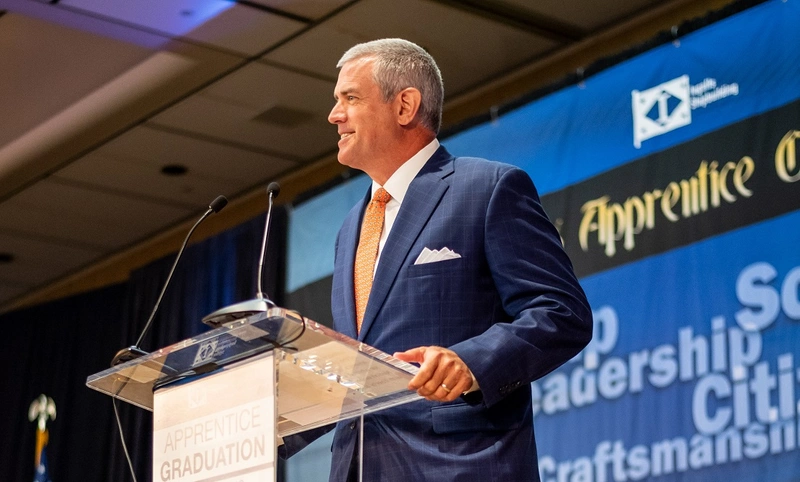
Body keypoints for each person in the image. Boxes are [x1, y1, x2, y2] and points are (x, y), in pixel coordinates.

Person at [287, 38, 592, 481]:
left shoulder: (488, 189)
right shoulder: (352, 226)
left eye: (350, 98)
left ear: (405, 105)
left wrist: (470, 362)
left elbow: (561, 313)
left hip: (458, 465)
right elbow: (362, 367)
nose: (335, 115)